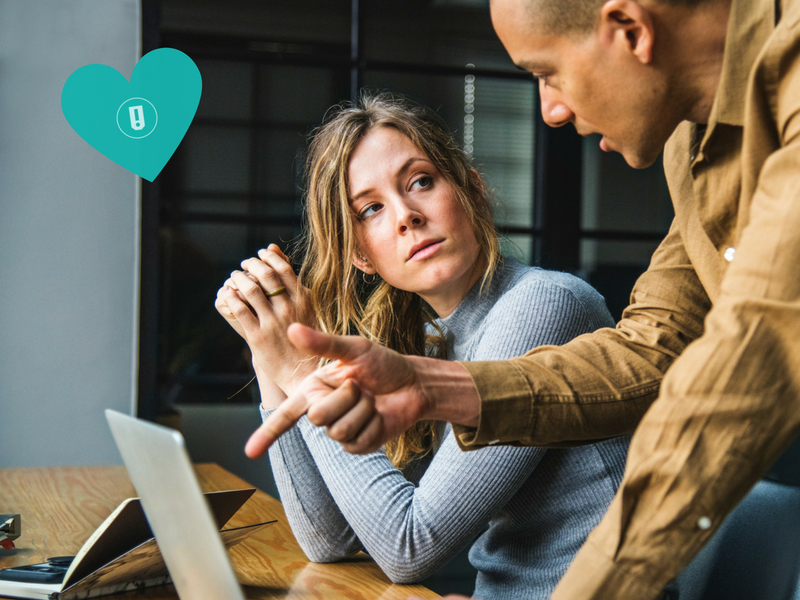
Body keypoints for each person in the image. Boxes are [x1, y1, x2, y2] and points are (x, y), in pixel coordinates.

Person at [246, 0, 800, 599]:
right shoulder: (691, 147)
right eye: (372, 209)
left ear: (629, 30)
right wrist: (435, 387)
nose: (552, 111)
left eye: (545, 72)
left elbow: (744, 374)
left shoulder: (541, 300)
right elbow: (653, 347)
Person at [216, 94, 630, 600]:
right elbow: (331, 540)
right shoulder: (432, 343)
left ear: (472, 190)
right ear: (361, 257)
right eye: (371, 209)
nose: (405, 215)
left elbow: (409, 547)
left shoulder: (545, 304)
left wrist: (302, 369)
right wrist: (268, 350)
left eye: (420, 182)